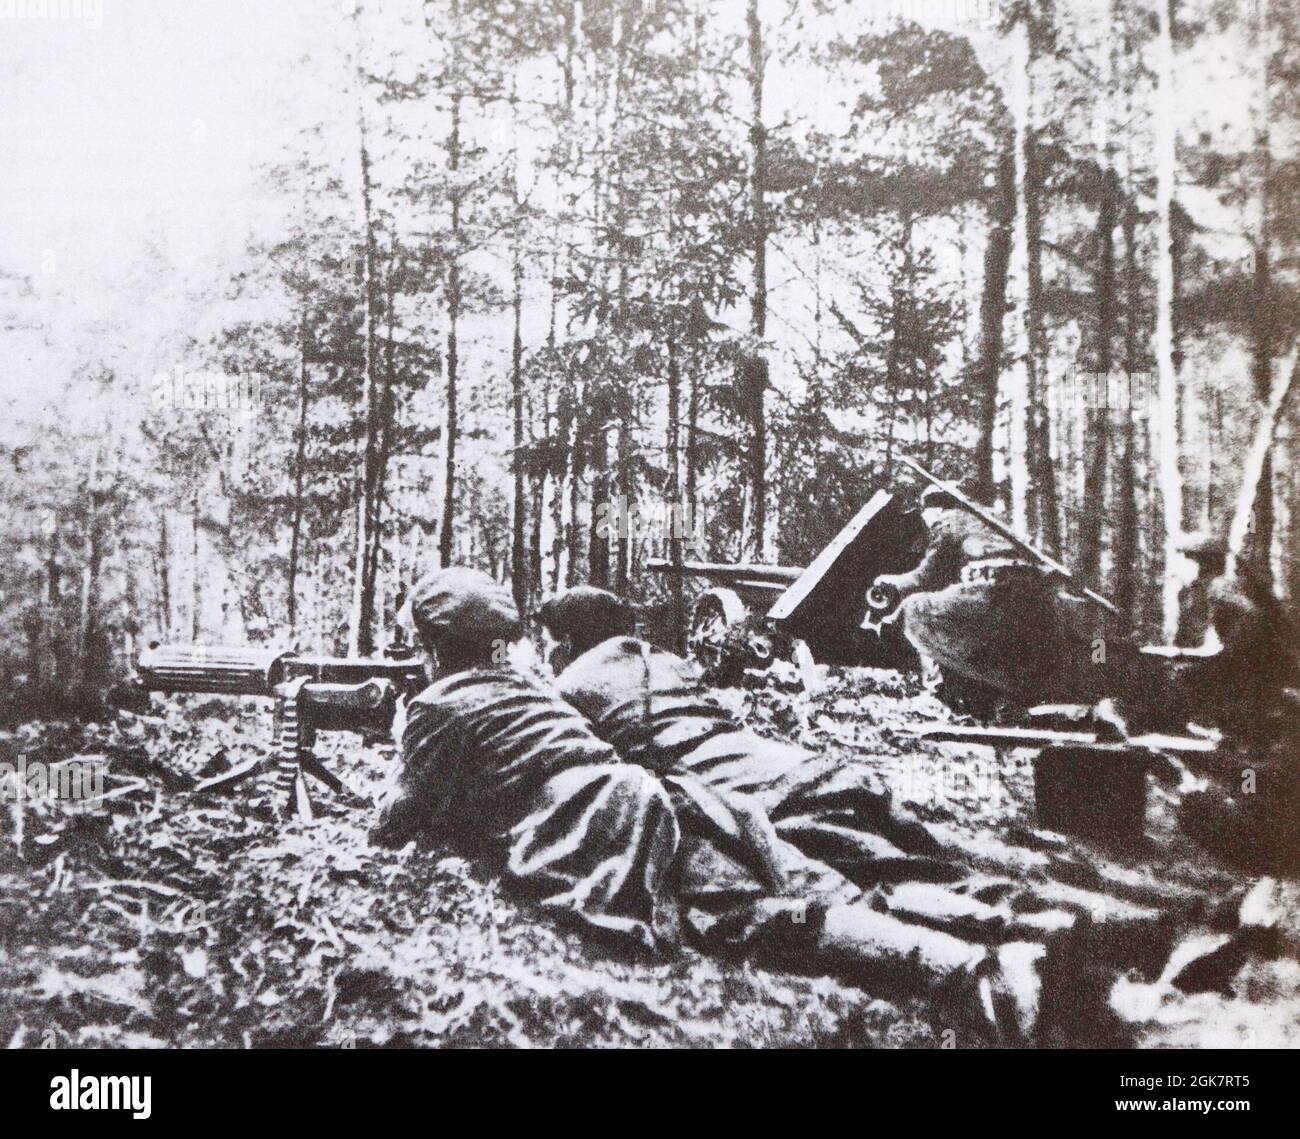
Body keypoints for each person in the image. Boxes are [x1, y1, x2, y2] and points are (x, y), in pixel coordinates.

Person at [376, 568, 1048, 1043]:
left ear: (436, 648)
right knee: (823, 883)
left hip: (608, 822)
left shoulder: (440, 707)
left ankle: (971, 974)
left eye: (419, 646)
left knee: (752, 920)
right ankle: (1009, 936)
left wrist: (404, 731)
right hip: (677, 797)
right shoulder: (533, 688)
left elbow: (397, 819)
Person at [867, 485, 1111, 711]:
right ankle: (1004, 695)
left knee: (914, 610)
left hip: (992, 593)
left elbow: (925, 576)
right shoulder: (996, 521)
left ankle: (937, 690)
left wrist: (891, 582)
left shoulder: (948, 520)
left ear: (934, 508)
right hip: (1036, 596)